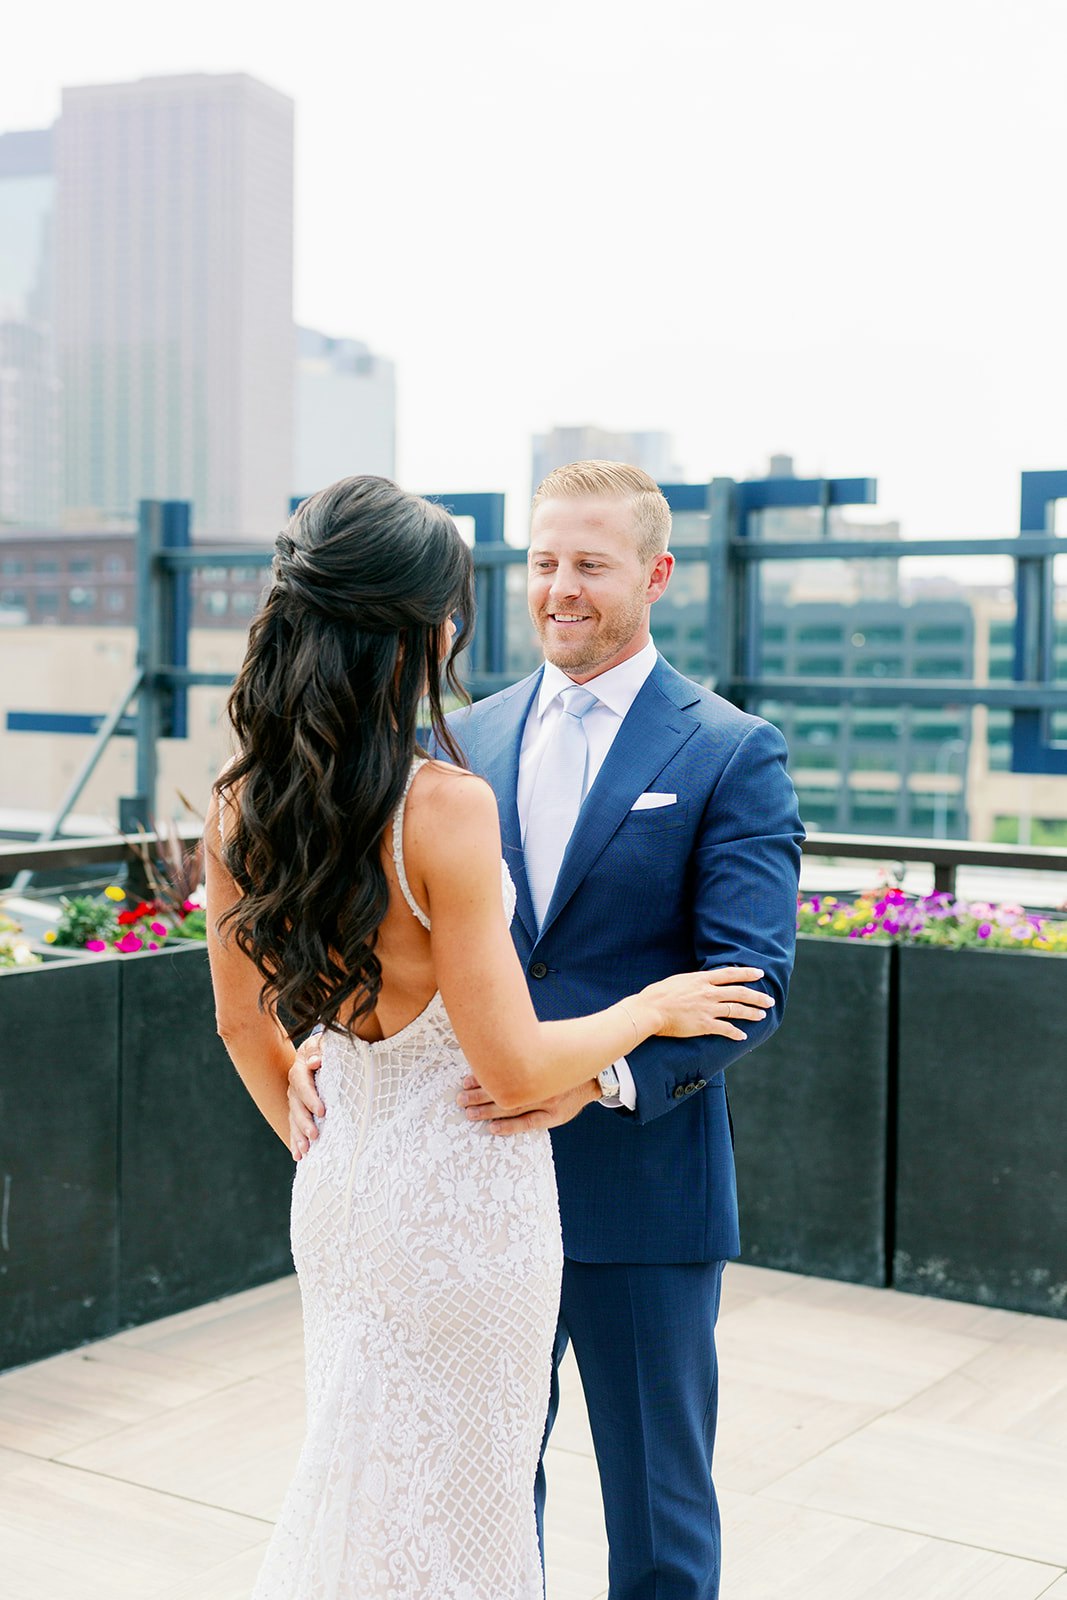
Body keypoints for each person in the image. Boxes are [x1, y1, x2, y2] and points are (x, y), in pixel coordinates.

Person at [206, 473, 777, 1600]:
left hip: (615, 1188)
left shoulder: (728, 750)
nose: (558, 587)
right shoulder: (450, 755)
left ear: (654, 575)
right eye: (542, 564)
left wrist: (339, 1128)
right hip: (463, 1204)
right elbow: (481, 1018)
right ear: (437, 617)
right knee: (468, 1500)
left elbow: (750, 976)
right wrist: (642, 1009)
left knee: (630, 1514)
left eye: (589, 564)